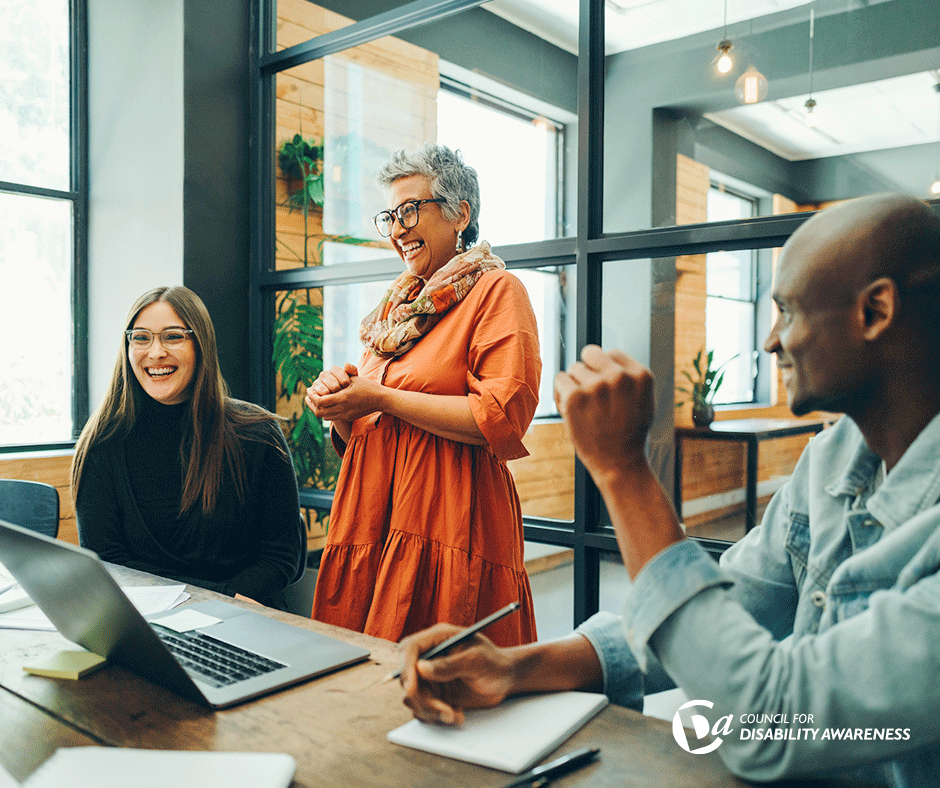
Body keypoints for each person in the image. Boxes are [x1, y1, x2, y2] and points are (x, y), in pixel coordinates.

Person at [395, 193, 940, 786]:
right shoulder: (832, 457)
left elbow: (772, 720)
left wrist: (624, 473)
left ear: (875, 311)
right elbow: (725, 607)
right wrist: (515, 667)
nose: (771, 341)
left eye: (788, 309)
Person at [305, 144, 541, 647]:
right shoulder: (396, 310)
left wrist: (382, 398)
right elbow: (365, 434)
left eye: (411, 209)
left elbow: (499, 418)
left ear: (461, 214)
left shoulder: (497, 292)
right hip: (373, 518)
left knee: (446, 681)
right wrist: (341, 405)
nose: (397, 229)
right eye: (390, 216)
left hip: (449, 522)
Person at [72, 286, 305, 609]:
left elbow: (281, 557)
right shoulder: (102, 442)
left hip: (244, 617)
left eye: (173, 337)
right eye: (141, 337)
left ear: (201, 345)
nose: (155, 353)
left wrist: (218, 604)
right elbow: (108, 564)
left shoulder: (258, 433)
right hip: (146, 623)